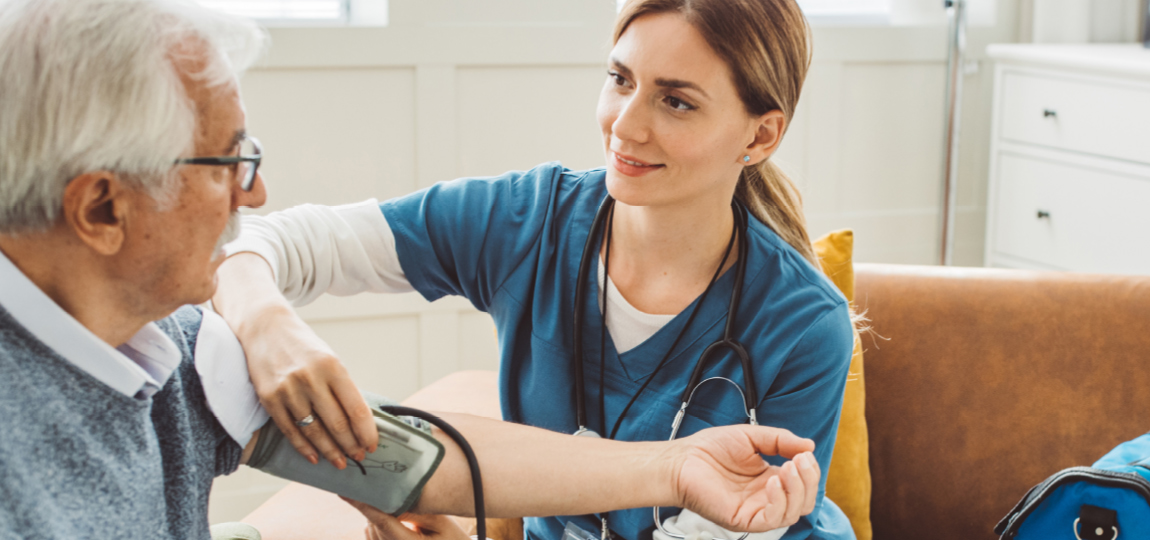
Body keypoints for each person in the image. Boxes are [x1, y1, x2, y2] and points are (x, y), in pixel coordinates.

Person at [0, 1, 824, 538]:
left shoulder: (147, 343)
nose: (255, 195)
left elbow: (396, 459)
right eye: (230, 162)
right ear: (102, 205)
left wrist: (672, 472)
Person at [213, 1, 857, 538]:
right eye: (620, 79)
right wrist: (267, 321)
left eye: (677, 103)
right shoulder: (530, 222)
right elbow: (263, 241)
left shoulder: (804, 327)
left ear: (760, 136)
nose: (624, 127)